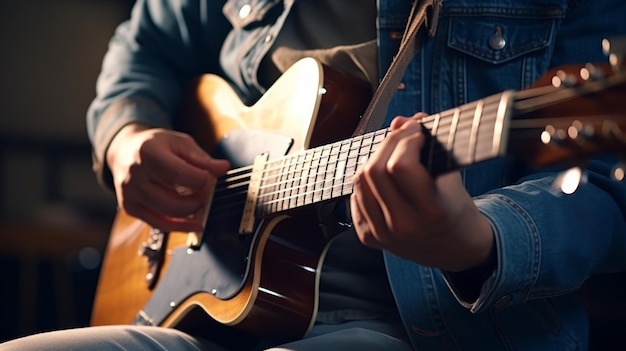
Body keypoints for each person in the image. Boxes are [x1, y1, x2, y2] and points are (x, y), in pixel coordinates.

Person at [3, 0, 626, 350]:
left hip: (431, 336)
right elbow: (145, 45)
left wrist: (474, 244)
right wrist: (124, 139)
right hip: (207, 314)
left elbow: (606, 190)